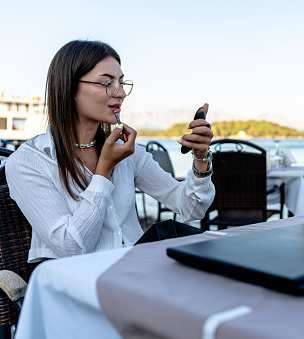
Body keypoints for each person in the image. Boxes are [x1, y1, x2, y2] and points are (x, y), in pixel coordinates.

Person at [5, 40, 215, 263]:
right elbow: (71, 248)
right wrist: (103, 171)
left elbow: (191, 208)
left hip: (134, 270)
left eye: (122, 83)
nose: (121, 93)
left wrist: (200, 159)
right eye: (107, 83)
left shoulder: (128, 153)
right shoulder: (29, 161)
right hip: (75, 284)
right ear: (69, 88)